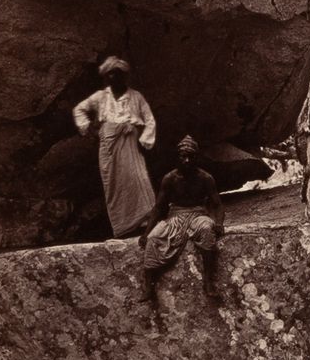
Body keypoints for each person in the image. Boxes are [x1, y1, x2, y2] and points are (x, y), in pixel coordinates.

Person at [72, 56, 157, 237]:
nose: (114, 78)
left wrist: (144, 141)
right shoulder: (100, 97)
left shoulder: (136, 96)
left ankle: (143, 222)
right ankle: (123, 226)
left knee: (137, 178)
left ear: (124, 76)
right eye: (110, 74)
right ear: (105, 77)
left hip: (130, 141)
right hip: (108, 143)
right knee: (114, 184)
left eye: (118, 74)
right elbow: (79, 109)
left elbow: (149, 120)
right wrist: (89, 128)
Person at [138, 136, 225, 305]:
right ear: (177, 157)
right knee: (154, 238)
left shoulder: (205, 178)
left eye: (190, 156)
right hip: (175, 215)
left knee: (207, 230)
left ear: (196, 158)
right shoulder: (170, 178)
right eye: (183, 156)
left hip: (198, 214)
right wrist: (146, 232)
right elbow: (158, 208)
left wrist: (219, 223)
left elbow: (217, 205)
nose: (186, 160)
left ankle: (208, 281)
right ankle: (149, 286)